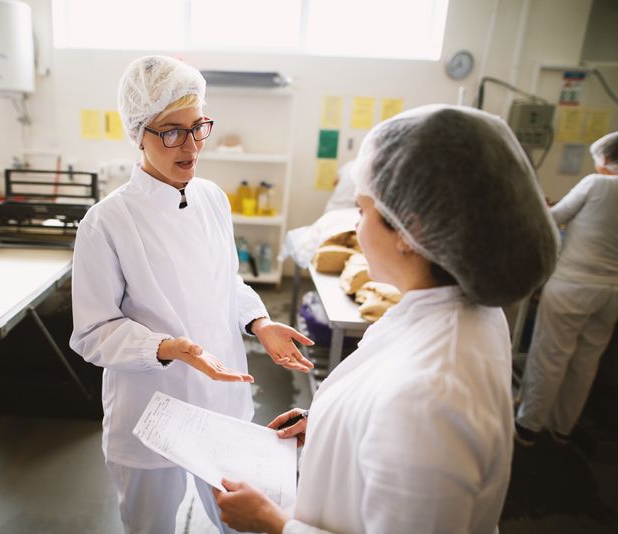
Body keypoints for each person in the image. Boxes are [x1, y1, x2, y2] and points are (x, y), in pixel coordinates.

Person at [213, 105, 559, 533]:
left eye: (362, 211)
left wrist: (272, 522)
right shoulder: (461, 310)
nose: (356, 228)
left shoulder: (430, 397)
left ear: (408, 232)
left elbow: (408, 418)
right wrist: (328, 427)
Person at [69, 55, 314, 534]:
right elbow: (93, 333)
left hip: (220, 405)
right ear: (139, 132)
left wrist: (259, 323)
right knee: (150, 527)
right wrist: (166, 348)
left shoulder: (211, 198)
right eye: (171, 131)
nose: (191, 145)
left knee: (242, 523)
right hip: (150, 411)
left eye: (198, 126)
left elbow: (226, 283)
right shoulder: (107, 222)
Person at [515, 131, 618, 447]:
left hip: (573, 285)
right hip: (612, 293)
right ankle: (563, 428)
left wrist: (541, 206)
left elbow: (553, 219)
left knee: (551, 354)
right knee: (586, 361)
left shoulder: (596, 184)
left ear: (606, 159)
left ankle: (529, 426)